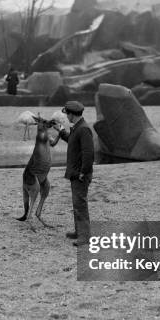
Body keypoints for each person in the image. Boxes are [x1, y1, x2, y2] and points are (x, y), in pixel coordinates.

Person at [56, 100, 94, 246]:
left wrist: (83, 172)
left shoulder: (83, 129)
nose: (67, 117)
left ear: (72, 114)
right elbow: (72, 141)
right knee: (77, 203)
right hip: (76, 173)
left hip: (80, 175)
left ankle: (85, 237)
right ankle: (79, 232)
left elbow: (88, 154)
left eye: (67, 114)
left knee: (80, 204)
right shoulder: (78, 127)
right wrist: (61, 131)